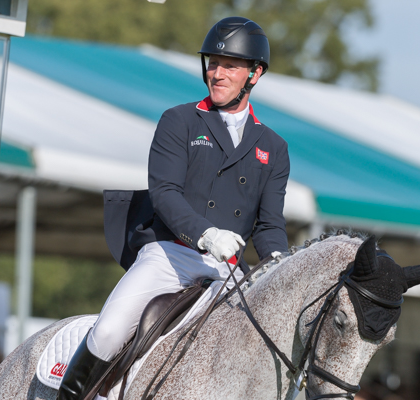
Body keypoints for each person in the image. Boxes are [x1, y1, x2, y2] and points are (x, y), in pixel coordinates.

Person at [57, 16, 290, 400]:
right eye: (212, 63)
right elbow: (164, 193)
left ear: (255, 74)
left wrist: (280, 262)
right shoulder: (180, 121)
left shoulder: (274, 147)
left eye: (230, 66)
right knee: (109, 331)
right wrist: (206, 234)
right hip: (171, 254)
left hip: (228, 270)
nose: (217, 74)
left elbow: (268, 226)